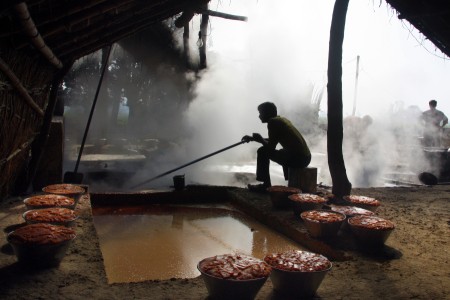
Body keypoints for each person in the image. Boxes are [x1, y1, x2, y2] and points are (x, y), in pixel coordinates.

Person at [242, 102, 311, 192]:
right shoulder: (281, 120)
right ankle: (288, 182)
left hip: (299, 159)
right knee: (283, 151)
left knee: (263, 151)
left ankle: (265, 185)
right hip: (305, 157)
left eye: (261, 113)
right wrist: (253, 139)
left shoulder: (273, 122)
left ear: (268, 113)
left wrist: (260, 139)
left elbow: (270, 147)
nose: (259, 116)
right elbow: (273, 140)